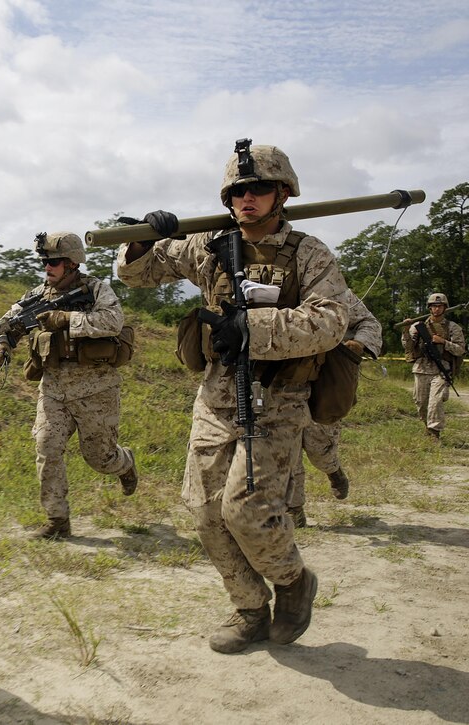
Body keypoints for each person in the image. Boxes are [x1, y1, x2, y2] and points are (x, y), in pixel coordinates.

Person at [118, 142, 349, 654]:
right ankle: (248, 608)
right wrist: (139, 240)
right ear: (227, 197)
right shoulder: (207, 243)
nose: (248, 197)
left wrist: (252, 326)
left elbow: (332, 321)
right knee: (204, 511)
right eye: (239, 190)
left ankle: (292, 582)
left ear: (282, 193)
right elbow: (137, 276)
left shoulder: (308, 252)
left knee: (246, 509)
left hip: (279, 396)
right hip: (217, 395)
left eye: (260, 188)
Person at [0, 232, 138, 540]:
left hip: (96, 391)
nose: (48, 268)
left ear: (72, 263)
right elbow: (10, 322)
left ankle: (124, 464)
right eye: (44, 262)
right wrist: (2, 341)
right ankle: (58, 521)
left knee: (100, 458)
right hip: (54, 390)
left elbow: (113, 322)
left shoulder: (97, 290)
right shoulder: (35, 295)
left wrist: (66, 319)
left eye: (54, 262)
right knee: (46, 447)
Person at [285, 288, 382, 528]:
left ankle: (333, 470)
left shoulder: (335, 291)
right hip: (284, 381)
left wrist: (358, 344)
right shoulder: (275, 289)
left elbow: (370, 323)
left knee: (319, 448)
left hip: (326, 381)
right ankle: (294, 509)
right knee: (287, 446)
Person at [401, 293, 465, 440]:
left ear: (445, 308)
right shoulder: (418, 326)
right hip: (421, 368)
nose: (436, 309)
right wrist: (406, 330)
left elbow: (460, 349)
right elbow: (407, 346)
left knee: (435, 401)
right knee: (421, 402)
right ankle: (427, 427)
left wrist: (443, 342)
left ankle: (434, 432)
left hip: (441, 369)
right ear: (429, 308)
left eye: (440, 306)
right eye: (434, 306)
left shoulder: (453, 328)